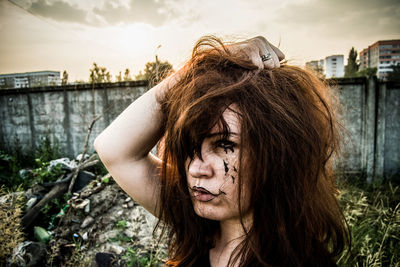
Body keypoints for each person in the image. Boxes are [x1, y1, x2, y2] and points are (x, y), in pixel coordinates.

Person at [94, 36, 350, 266]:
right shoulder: (196, 223)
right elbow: (113, 149)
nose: (196, 168)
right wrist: (204, 66)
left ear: (278, 155)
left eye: (225, 145)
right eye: (191, 146)